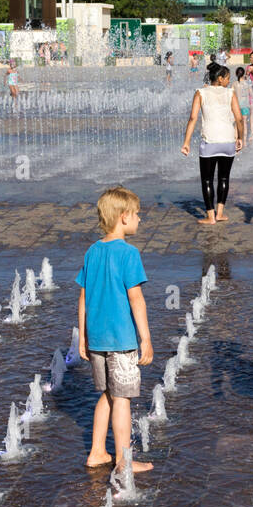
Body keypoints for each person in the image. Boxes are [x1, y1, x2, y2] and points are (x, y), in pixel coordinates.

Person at [77, 185, 153, 473]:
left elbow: (83, 297)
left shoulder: (92, 251)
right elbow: (136, 299)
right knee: (122, 399)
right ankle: (124, 461)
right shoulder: (128, 254)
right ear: (124, 217)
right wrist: (146, 338)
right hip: (121, 340)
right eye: (137, 214)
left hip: (96, 339)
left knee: (108, 394)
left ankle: (97, 451)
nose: (139, 219)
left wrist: (83, 337)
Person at [181, 62, 245, 224]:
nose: (229, 81)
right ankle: (220, 213)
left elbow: (193, 118)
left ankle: (210, 217)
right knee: (224, 178)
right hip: (228, 141)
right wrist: (240, 138)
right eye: (227, 78)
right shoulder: (230, 93)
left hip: (210, 142)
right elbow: (239, 118)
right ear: (220, 78)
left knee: (207, 180)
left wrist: (186, 142)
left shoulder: (200, 93)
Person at [233, 66, 253, 144]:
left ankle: (236, 140)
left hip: (237, 106)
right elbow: (251, 94)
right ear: (243, 74)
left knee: (236, 123)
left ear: (236, 74)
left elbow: (231, 94)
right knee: (244, 123)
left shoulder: (234, 84)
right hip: (245, 105)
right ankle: (244, 141)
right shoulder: (247, 83)